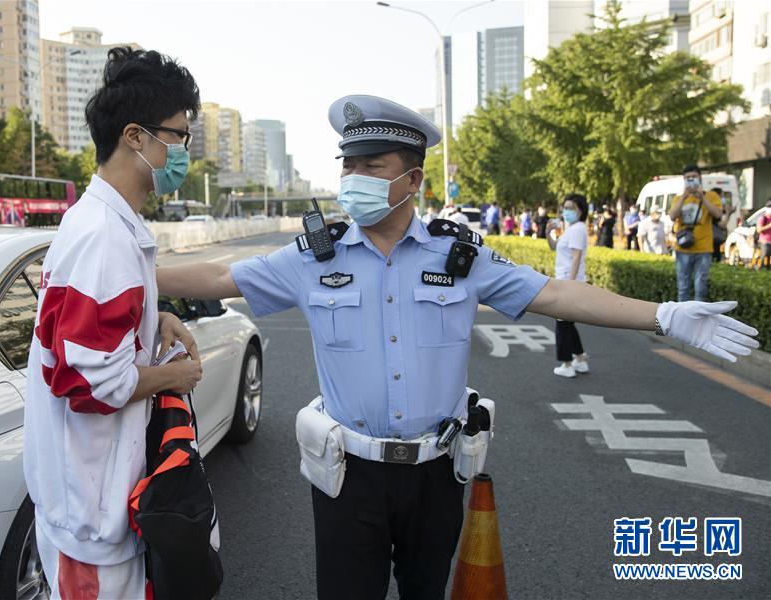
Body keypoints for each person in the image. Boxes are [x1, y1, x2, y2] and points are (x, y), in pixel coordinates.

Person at [153, 95, 759, 600]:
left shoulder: (459, 258)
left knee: (426, 591)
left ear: (412, 180)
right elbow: (218, 276)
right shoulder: (315, 258)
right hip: (346, 475)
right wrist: (126, 274)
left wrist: (664, 315)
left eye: (372, 166)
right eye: (348, 166)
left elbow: (555, 294)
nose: (353, 179)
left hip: (436, 473)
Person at [23, 47, 204, 597]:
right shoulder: (104, 239)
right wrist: (174, 376)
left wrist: (156, 318)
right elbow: (91, 383)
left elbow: (89, 339)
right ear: (135, 137)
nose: (183, 151)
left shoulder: (98, 222)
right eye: (179, 136)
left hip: (89, 500)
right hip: (92, 514)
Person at [548, 194, 590, 377]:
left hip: (568, 282)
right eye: (565, 208)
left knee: (562, 324)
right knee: (567, 323)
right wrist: (547, 232)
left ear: (581, 210)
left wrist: (569, 286)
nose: (567, 211)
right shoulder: (571, 229)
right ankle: (580, 359)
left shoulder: (578, 229)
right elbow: (554, 247)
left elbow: (576, 258)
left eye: (571, 208)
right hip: (566, 281)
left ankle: (566, 364)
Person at [669, 165, 723, 301]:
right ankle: (683, 313)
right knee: (683, 287)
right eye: (687, 178)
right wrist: (684, 197)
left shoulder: (711, 196)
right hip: (683, 248)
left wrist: (702, 197)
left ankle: (698, 313)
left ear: (700, 178)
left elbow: (718, 214)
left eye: (694, 177)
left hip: (703, 248)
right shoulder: (678, 198)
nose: (691, 180)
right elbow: (672, 216)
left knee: (701, 288)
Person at [709, 186, 730, 262]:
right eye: (722, 196)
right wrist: (728, 213)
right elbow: (722, 225)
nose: (723, 199)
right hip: (713, 241)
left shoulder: (708, 207)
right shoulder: (715, 211)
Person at [757, 199, 771, 269]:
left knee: (768, 262)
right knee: (763, 257)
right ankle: (759, 269)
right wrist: (769, 226)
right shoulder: (763, 218)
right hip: (764, 242)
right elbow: (758, 230)